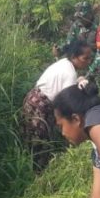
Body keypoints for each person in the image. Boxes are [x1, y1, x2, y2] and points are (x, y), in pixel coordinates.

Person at [23, 41, 93, 169]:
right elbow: (69, 102)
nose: (88, 62)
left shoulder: (64, 63)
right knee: (40, 143)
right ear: (74, 57)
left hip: (32, 99)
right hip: (41, 107)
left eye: (90, 58)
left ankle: (32, 168)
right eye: (85, 58)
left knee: (31, 139)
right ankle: (39, 172)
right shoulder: (70, 73)